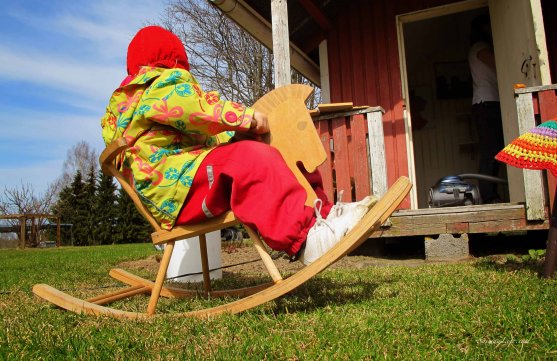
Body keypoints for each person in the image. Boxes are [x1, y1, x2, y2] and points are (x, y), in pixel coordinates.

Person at [100, 26, 375, 265]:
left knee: (273, 146)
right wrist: (245, 119)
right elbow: (197, 110)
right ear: (175, 62)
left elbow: (204, 131)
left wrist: (237, 136)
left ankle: (323, 215)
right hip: (179, 189)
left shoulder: (144, 101)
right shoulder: (159, 86)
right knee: (247, 159)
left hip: (186, 182)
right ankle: (306, 240)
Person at [468, 14, 504, 203]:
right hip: (486, 103)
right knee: (491, 150)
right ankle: (489, 196)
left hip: (490, 102)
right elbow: (500, 64)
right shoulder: (480, 48)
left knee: (495, 150)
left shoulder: (481, 48)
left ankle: (492, 194)